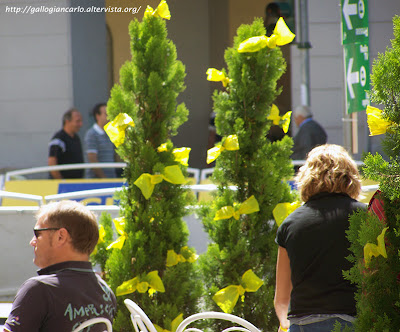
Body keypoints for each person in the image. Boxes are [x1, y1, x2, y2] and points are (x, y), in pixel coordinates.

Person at [274, 144, 367, 331]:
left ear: (307, 177)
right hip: (352, 321)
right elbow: (371, 280)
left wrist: (285, 324)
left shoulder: (290, 223)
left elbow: (281, 299)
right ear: (350, 176)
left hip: (302, 324)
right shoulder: (366, 216)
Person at [4, 200, 117, 332]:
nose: (32, 242)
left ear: (61, 236)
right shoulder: (106, 292)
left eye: (37, 234)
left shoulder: (39, 289)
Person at [48, 108, 84, 179]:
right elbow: (52, 163)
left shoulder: (76, 138)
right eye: (77, 121)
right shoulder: (58, 139)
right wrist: (62, 182)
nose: (80, 124)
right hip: (62, 185)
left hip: (76, 183)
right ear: (67, 122)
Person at [84, 103, 117, 178]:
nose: (109, 117)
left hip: (111, 179)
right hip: (96, 181)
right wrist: (104, 179)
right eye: (106, 114)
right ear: (97, 116)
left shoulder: (110, 133)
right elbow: (92, 159)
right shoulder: (91, 134)